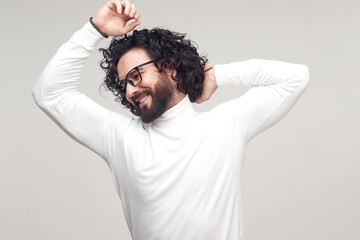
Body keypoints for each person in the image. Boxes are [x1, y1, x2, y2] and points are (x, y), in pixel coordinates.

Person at [31, 0, 310, 239]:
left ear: (170, 68)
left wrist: (218, 75)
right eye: (124, 83)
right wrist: (94, 30)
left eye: (136, 75)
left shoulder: (225, 125)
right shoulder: (119, 138)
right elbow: (48, 93)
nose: (129, 90)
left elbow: (296, 78)